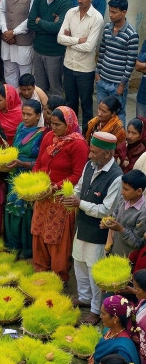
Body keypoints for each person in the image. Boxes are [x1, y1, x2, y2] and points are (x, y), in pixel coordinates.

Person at [66, 131, 123, 318]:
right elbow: (80, 187)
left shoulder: (116, 177)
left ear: (107, 154)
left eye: (94, 152)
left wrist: (79, 204)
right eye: (90, 151)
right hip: (83, 225)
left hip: (99, 233)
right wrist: (72, 196)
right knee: (79, 263)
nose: (90, 155)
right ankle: (84, 297)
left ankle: (96, 310)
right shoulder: (89, 165)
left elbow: (106, 210)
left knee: (94, 271)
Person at [32, 106, 90, 281]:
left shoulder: (78, 144)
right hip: (43, 196)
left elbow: (77, 175)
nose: (53, 128)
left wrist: (55, 187)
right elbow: (39, 163)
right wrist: (34, 182)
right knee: (39, 232)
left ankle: (58, 277)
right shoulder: (49, 136)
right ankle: (41, 271)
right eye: (51, 124)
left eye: (57, 125)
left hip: (61, 200)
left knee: (57, 239)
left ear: (69, 124)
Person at [5, 99, 46, 258]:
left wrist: (23, 163)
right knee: (11, 209)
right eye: (23, 113)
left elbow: (41, 162)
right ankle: (12, 245)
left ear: (38, 116)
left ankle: (27, 249)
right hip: (14, 175)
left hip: (28, 177)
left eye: (29, 115)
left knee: (25, 213)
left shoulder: (42, 134)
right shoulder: (20, 127)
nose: (25, 118)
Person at [60, 0, 105, 125]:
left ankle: (86, 137)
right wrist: (79, 40)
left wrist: (70, 41)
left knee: (86, 107)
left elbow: (89, 47)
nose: (79, 0)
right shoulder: (70, 13)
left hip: (85, 70)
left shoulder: (97, 18)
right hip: (68, 65)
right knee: (70, 104)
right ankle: (70, 135)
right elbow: (60, 38)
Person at [31, 0, 73, 97]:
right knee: (39, 89)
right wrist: (48, 25)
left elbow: (58, 28)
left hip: (54, 52)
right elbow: (31, 23)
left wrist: (40, 21)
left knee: (55, 89)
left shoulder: (65, 1)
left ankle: (56, 115)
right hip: (38, 50)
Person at [0, 0, 40, 88]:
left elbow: (31, 18)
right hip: (7, 39)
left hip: (23, 42)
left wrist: (14, 32)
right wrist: (5, 31)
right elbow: (1, 10)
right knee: (9, 73)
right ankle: (12, 101)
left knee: (25, 76)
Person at [96, 0, 138, 116]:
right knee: (101, 114)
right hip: (102, 80)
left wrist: (122, 84)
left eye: (114, 12)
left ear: (124, 12)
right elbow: (102, 51)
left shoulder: (131, 34)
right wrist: (97, 73)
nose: (111, 15)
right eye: (110, 11)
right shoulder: (107, 28)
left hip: (117, 84)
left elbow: (130, 63)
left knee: (117, 115)